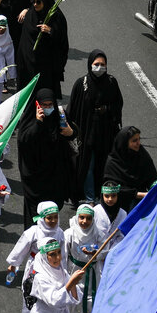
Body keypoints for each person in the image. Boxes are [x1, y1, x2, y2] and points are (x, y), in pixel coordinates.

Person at [5, 203, 65, 313]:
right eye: (49, 218)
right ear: (42, 218)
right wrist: (13, 264)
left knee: (50, 302)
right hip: (35, 272)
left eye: (55, 217)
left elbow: (63, 254)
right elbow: (21, 248)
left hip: (53, 271)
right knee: (31, 303)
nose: (52, 221)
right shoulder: (33, 232)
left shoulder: (60, 233)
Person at [65, 50, 124, 202]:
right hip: (86, 135)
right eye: (96, 64)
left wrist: (107, 109)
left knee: (103, 166)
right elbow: (72, 109)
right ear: (90, 64)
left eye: (102, 65)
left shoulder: (111, 83)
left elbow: (118, 105)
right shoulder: (81, 84)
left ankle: (103, 195)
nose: (99, 67)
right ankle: (90, 197)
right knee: (87, 167)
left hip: (106, 135)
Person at [16, 88, 77, 227]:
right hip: (35, 178)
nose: (48, 108)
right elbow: (24, 141)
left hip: (55, 175)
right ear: (37, 105)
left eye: (50, 105)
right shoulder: (30, 119)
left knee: (52, 213)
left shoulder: (59, 116)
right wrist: (38, 123)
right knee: (36, 217)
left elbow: (73, 131)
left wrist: (71, 132)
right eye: (44, 105)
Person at [15, 0, 69, 99]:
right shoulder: (30, 15)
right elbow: (24, 42)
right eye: (33, 1)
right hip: (28, 65)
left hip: (46, 67)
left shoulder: (56, 16)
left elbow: (62, 40)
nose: (35, 4)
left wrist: (50, 31)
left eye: (38, 2)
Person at [63, 203, 106, 313]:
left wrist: (95, 254)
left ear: (93, 219)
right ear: (77, 217)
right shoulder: (69, 233)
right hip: (74, 270)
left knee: (89, 301)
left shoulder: (98, 233)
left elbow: (105, 251)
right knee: (72, 297)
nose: (84, 221)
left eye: (88, 218)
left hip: (91, 272)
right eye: (81, 217)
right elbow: (65, 254)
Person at [102, 126, 157, 212]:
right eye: (134, 141)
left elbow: (152, 176)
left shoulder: (142, 155)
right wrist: (138, 194)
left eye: (139, 139)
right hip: (121, 205)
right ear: (124, 143)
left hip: (143, 200)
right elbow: (113, 188)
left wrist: (155, 186)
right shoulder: (113, 163)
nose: (138, 143)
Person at [93, 182, 128, 267]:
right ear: (102, 196)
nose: (110, 199)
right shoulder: (95, 211)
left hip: (114, 255)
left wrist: (110, 253)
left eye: (113, 196)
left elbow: (121, 236)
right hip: (95, 255)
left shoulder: (123, 213)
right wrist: (100, 254)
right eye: (107, 196)